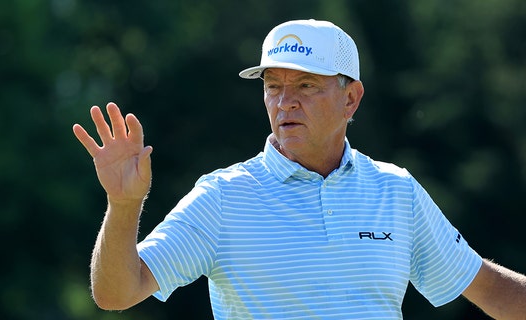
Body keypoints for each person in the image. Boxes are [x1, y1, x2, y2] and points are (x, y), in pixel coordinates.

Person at [72, 19, 526, 319]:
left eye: (306, 85)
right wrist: (123, 205)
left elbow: (489, 289)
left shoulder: (395, 191)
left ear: (351, 99)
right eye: (273, 85)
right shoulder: (222, 197)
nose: (285, 101)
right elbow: (117, 293)